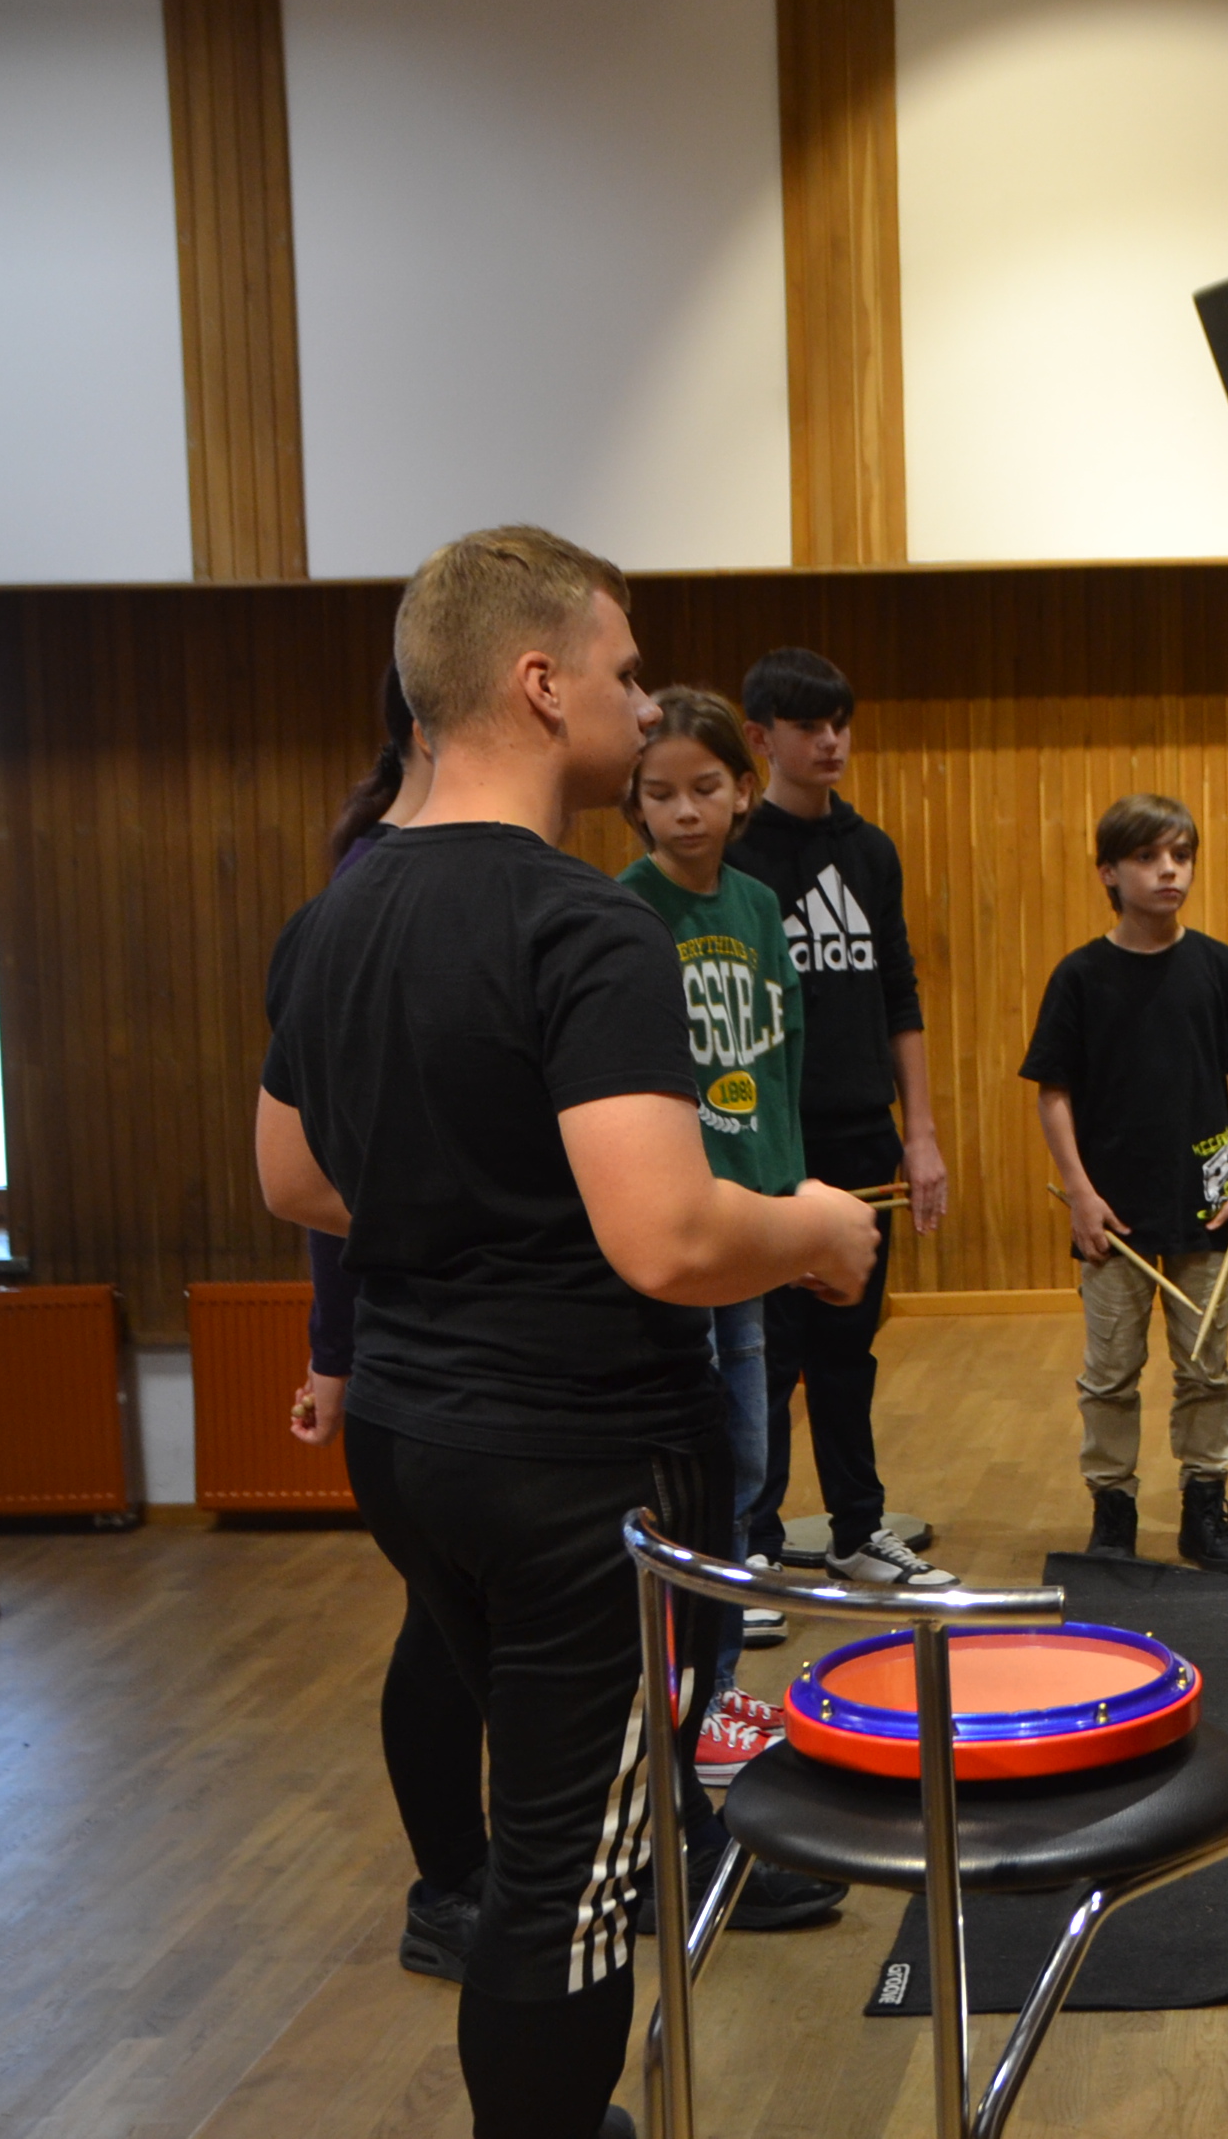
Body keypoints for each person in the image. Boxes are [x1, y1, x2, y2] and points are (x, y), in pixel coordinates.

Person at [257, 526, 879, 2139]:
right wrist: (818, 1227)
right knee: (571, 1875)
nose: (642, 702)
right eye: (622, 672)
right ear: (539, 685)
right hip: (577, 1468)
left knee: (542, 1833)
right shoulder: (585, 925)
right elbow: (669, 1236)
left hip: (411, 1442)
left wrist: (472, 1199)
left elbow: (294, 1175)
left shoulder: (333, 916)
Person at [287, 666, 488, 1984]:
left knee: (467, 1625)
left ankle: (498, 1882)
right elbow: (314, 1176)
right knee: (447, 1627)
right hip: (428, 1354)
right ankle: (454, 1885)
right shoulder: (363, 902)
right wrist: (335, 1352)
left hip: (451, 1350)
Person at [617, 688, 812, 1783]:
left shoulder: (758, 905)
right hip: (677, 1223)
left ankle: (723, 1688)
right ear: (635, 802)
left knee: (746, 1455)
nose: (685, 812)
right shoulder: (625, 908)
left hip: (750, 1222)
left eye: (704, 788)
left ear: (743, 790)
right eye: (661, 793)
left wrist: (788, 1198)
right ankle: (681, 1693)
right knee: (688, 1470)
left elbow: (781, 1056)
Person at [728, 647, 953, 1596]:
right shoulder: (737, 856)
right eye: (808, 726)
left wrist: (921, 1134)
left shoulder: (872, 851)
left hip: (864, 1133)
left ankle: (858, 1530)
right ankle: (755, 1542)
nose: (830, 741)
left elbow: (900, 993)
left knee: (846, 1350)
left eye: (839, 724)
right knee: (771, 1354)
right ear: (760, 738)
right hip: (776, 1146)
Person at [1023, 793, 1228, 1572]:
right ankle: (1114, 1513)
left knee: (1206, 1368)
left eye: (1181, 855)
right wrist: (1080, 1192)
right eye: (1148, 857)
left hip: (1206, 1203)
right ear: (1108, 872)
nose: (1169, 871)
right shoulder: (1080, 976)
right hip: (1114, 1215)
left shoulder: (1221, 968)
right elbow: (1053, 1092)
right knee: (1109, 1373)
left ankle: (1204, 1508)